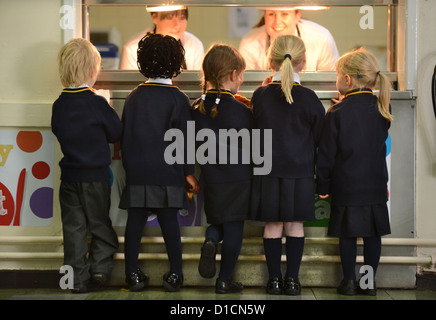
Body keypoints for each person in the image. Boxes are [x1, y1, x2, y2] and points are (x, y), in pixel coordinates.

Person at [119, 33, 200, 292]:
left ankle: (132, 274)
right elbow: (184, 141)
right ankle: (175, 274)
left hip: (139, 173)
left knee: (135, 224)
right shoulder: (178, 99)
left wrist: (131, 169)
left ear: (142, 61)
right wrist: (188, 173)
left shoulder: (133, 97)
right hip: (169, 174)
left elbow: (126, 137)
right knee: (169, 225)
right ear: (178, 62)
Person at [250, 35, 325, 295]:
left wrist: (261, 90)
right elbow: (319, 136)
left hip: (267, 171)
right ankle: (292, 280)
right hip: (300, 172)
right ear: (303, 63)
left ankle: (273, 280)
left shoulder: (260, 95)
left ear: (270, 60)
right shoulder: (310, 97)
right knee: (295, 225)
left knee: (272, 225)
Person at [316, 48, 392, 296]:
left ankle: (348, 281)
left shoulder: (336, 113)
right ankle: (368, 284)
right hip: (375, 185)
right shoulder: (382, 109)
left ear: (346, 80)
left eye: (338, 75)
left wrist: (323, 186)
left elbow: (326, 155)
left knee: (347, 235)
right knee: (372, 236)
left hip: (346, 186)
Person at [52, 38, 121, 293]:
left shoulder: (59, 104)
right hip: (96, 178)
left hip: (69, 178)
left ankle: (76, 280)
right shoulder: (96, 103)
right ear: (93, 71)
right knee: (100, 224)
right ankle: (101, 270)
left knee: (74, 230)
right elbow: (115, 132)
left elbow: (57, 130)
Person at [191, 44, 251, 294]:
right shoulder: (242, 111)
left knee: (216, 220)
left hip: (211, 178)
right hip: (238, 180)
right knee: (235, 226)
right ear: (233, 75)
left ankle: (211, 240)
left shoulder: (197, 108)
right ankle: (225, 279)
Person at [239, 7, 339, 71]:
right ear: (265, 16)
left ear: (297, 16)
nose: (277, 21)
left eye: (284, 14)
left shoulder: (321, 38)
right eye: (271, 14)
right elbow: (244, 86)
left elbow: (330, 82)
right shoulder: (249, 42)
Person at [119, 6, 204, 70]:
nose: (177, 25)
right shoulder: (133, 48)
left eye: (182, 18)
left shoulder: (194, 45)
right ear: (154, 17)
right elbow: (127, 89)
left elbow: (198, 86)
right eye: (169, 18)